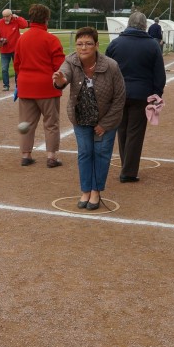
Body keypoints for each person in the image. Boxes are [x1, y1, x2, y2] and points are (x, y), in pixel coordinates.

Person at [52, 27, 125, 210]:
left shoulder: (111, 66)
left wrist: (105, 124)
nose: (83, 47)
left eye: (88, 44)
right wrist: (59, 82)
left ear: (96, 45)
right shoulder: (70, 61)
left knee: (101, 154)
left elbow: (120, 98)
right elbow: (64, 75)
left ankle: (96, 191)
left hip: (106, 118)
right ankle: (85, 190)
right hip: (81, 117)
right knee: (85, 153)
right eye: (79, 44)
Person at [105, 11, 166, 183]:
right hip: (142, 94)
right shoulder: (153, 45)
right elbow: (159, 74)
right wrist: (157, 94)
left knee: (122, 130)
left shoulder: (115, 43)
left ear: (128, 24)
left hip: (119, 93)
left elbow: (105, 69)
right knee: (135, 133)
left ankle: (127, 166)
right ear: (145, 25)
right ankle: (129, 171)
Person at [13, 3, 66, 168]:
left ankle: (26, 155)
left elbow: (17, 64)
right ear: (46, 19)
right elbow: (59, 65)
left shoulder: (22, 38)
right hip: (46, 87)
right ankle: (51, 157)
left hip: (26, 85)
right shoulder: (51, 39)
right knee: (51, 123)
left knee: (26, 123)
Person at [0, 9, 28, 91]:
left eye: (7, 16)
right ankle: (6, 85)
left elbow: (25, 25)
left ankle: (18, 85)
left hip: (16, 50)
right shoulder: (0, 22)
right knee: (4, 69)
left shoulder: (15, 21)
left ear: (11, 15)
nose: (5, 18)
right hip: (4, 50)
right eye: (4, 16)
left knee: (17, 68)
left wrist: (18, 17)